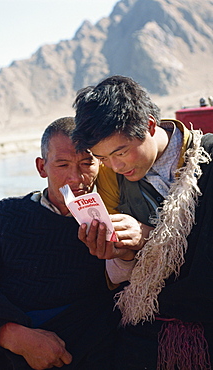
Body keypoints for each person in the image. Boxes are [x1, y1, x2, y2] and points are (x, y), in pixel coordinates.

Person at [72, 75, 213, 369]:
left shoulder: (208, 158)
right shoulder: (111, 178)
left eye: (120, 152)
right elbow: (119, 276)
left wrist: (151, 239)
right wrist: (121, 251)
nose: (116, 165)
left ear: (149, 126)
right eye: (103, 158)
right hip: (146, 330)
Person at [0, 117, 121, 370]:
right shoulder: (5, 215)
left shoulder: (114, 219)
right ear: (42, 167)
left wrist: (121, 253)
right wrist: (12, 335)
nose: (75, 177)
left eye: (86, 163)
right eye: (62, 164)